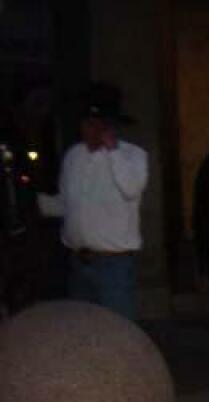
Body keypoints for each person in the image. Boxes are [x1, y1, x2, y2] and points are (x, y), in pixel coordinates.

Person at [36, 83, 147, 323]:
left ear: (110, 127)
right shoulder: (74, 156)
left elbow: (131, 189)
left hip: (113, 266)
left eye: (97, 125)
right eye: (87, 124)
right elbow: (66, 204)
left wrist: (112, 151)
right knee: (84, 329)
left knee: (118, 329)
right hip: (79, 262)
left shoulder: (133, 156)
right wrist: (31, 203)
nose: (90, 130)